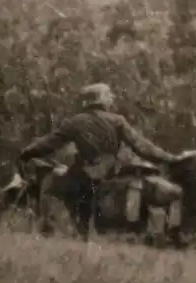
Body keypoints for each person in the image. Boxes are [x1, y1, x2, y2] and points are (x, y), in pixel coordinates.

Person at [19, 82, 182, 241]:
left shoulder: (76, 121)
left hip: (83, 175)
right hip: (109, 173)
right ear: (99, 99)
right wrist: (169, 158)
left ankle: (46, 228)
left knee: (49, 182)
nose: (112, 97)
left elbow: (49, 143)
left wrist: (27, 152)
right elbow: (142, 146)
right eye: (108, 94)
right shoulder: (118, 120)